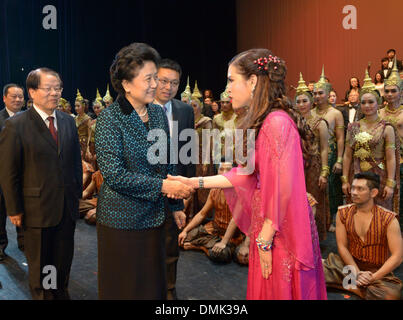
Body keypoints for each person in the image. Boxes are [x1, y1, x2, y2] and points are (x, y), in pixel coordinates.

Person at [168, 49, 327, 300]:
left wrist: (264, 238)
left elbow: (283, 187)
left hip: (280, 231)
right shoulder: (267, 121)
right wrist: (192, 181)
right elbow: (244, 175)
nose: (227, 89)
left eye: (231, 80)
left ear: (253, 81)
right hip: (271, 227)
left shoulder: (277, 123)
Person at [95, 43, 193, 300]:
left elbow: (168, 161)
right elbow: (114, 174)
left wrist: (176, 205)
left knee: (152, 285)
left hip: (155, 217)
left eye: (156, 78)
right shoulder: (110, 118)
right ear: (127, 84)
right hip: (121, 221)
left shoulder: (158, 114)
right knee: (125, 287)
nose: (155, 85)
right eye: (148, 79)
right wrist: (163, 187)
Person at [0, 68, 82, 299]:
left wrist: (75, 195)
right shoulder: (17, 125)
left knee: (62, 262)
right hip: (36, 209)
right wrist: (14, 208)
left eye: (58, 88)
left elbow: (75, 162)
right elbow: (8, 172)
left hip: (66, 207)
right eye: (49, 88)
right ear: (32, 92)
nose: (55, 93)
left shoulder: (67, 121)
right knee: (42, 266)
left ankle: (60, 293)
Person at [323, 172, 402, 300]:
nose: (354, 192)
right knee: (314, 270)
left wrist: (372, 278)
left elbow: (397, 257)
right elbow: (342, 247)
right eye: (353, 188)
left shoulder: (389, 219)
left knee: (391, 296)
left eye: (360, 189)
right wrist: (357, 272)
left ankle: (349, 285)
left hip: (377, 272)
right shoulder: (342, 213)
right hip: (348, 266)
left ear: (373, 193)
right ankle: (357, 287)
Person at [154, 58, 195, 300]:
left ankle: (169, 289)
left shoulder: (184, 110)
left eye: (174, 83)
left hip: (175, 186)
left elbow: (187, 153)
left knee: (170, 243)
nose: (168, 87)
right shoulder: (140, 108)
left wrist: (188, 187)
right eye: (163, 81)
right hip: (147, 188)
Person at [342, 69, 400, 212]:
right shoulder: (353, 127)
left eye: (370, 102)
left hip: (379, 177)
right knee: (358, 214)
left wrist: (390, 183)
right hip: (357, 175)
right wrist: (344, 180)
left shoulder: (387, 128)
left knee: (379, 214)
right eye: (363, 102)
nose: (367, 106)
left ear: (378, 102)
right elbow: (348, 155)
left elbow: (391, 158)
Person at [178, 162, 248, 265]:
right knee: (182, 239)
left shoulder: (240, 192)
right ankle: (209, 245)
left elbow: (235, 220)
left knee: (222, 254)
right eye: (221, 169)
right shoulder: (214, 190)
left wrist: (223, 242)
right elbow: (202, 213)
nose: (224, 173)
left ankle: (200, 247)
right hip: (214, 229)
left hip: (232, 235)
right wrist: (185, 230)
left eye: (228, 170)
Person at [295, 73, 330, 241]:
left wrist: (324, 172)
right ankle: (299, 237)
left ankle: (314, 238)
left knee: (313, 201)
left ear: (311, 102)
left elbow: (324, 148)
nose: (301, 105)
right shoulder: (292, 121)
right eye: (298, 101)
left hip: (314, 168)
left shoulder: (319, 122)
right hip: (296, 167)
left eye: (305, 101)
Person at [312, 68, 345, 233]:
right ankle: (317, 219)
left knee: (331, 187)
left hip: (331, 153)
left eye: (320, 93)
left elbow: (340, 138)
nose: (317, 96)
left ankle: (332, 218)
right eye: (315, 93)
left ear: (328, 93)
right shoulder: (310, 112)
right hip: (313, 155)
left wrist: (339, 159)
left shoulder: (336, 113)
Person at [0, 84, 25, 259]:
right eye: (13, 96)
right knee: (1, 210)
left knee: (24, 210)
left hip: (26, 175)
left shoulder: (29, 119)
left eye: (20, 97)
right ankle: (1, 245)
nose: (17, 100)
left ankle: (24, 243)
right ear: (4, 98)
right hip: (2, 174)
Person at [379, 57, 403, 227]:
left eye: (393, 91)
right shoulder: (379, 113)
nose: (389, 94)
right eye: (386, 91)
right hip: (384, 163)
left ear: (400, 92)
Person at [189, 98, 214, 215]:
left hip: (202, 156)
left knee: (202, 188)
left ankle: (204, 217)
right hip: (189, 156)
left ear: (200, 106)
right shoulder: (187, 119)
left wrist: (206, 162)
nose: (192, 108)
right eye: (191, 106)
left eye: (195, 105)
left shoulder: (206, 121)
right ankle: (191, 215)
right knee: (190, 186)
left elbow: (209, 142)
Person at [212, 86, 237, 165]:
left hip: (234, 155)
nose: (224, 105)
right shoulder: (216, 118)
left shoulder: (237, 118)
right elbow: (214, 138)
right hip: (219, 154)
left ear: (232, 103)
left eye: (227, 102)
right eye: (222, 102)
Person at [74, 90, 91, 155]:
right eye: (75, 106)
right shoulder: (74, 118)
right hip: (76, 144)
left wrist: (88, 148)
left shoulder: (87, 119)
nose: (76, 108)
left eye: (78, 106)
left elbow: (89, 135)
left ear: (83, 106)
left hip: (84, 144)